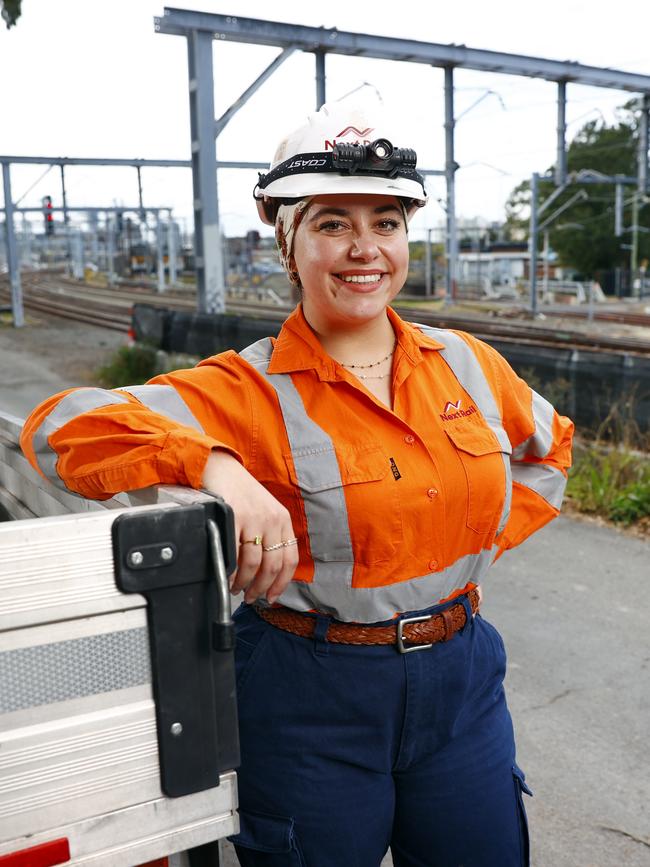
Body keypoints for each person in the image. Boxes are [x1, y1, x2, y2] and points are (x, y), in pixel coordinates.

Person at [21, 90, 573, 867]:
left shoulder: (467, 364)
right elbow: (59, 429)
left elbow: (551, 450)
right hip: (308, 693)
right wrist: (214, 465)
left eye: (385, 222)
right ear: (289, 243)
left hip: (462, 683)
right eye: (333, 223)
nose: (365, 248)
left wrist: (460, 540)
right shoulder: (244, 388)